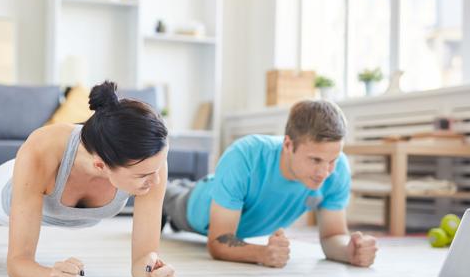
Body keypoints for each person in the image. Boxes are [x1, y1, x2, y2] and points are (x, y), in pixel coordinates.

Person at [0, 81, 176, 277]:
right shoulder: (44, 147)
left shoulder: (150, 163)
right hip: (11, 188)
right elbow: (18, 263)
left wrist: (152, 273)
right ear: (100, 166)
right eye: (143, 175)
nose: (156, 181)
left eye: (156, 170)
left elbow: (142, 261)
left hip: (51, 194)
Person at [162, 99, 378, 268]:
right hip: (196, 205)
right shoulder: (245, 155)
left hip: (237, 216)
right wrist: (262, 253)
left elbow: (332, 236)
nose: (325, 172)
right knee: (167, 194)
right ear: (288, 144)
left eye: (332, 160)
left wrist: (349, 251)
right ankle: (174, 192)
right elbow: (218, 241)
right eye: (315, 160)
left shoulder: (337, 170)